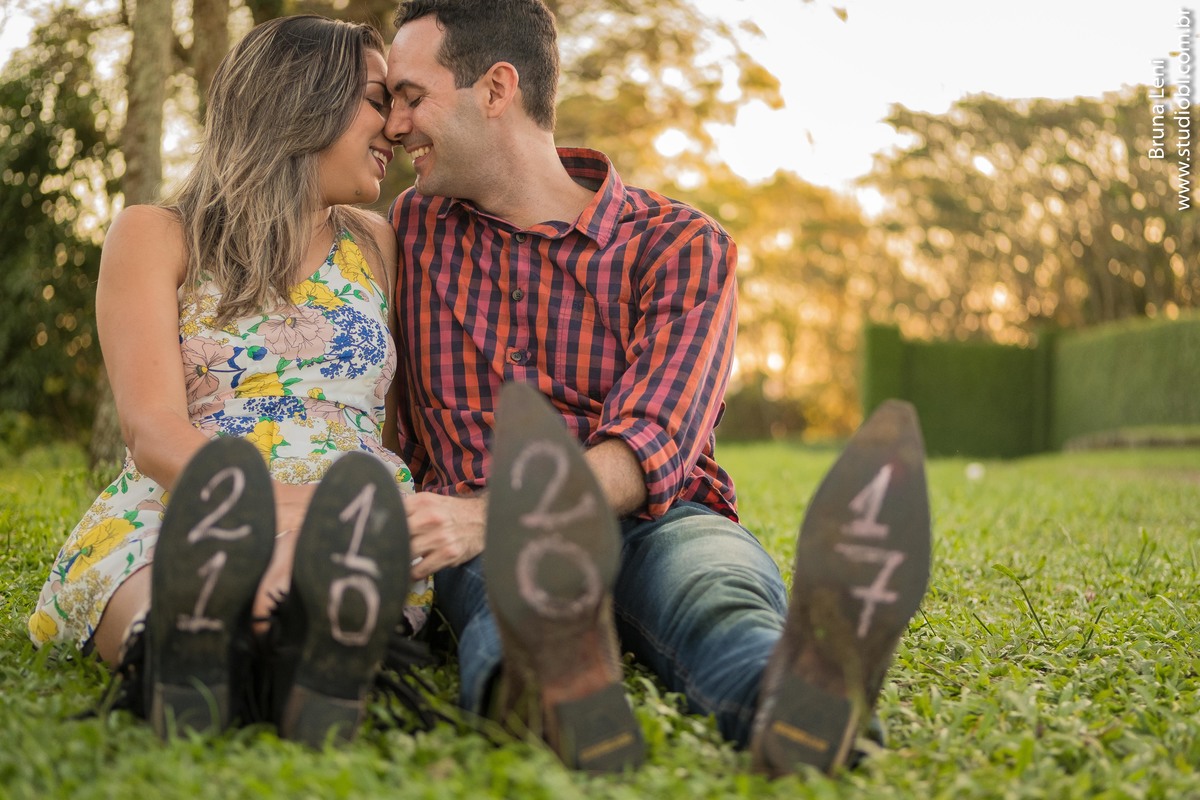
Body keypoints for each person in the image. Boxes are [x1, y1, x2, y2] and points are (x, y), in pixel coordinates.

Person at [384, 0, 932, 777]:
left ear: (497, 87)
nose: (394, 125)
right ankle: (552, 698)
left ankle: (802, 702)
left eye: (411, 96)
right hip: (491, 537)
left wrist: (483, 515)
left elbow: (653, 444)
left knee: (718, 596)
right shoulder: (405, 232)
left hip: (653, 517)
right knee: (519, 607)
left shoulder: (679, 245)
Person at [27, 15, 431, 746]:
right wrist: (279, 504)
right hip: (190, 494)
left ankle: (293, 646)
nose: (396, 127)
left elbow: (390, 425)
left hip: (345, 505)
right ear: (306, 99)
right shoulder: (156, 233)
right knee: (171, 599)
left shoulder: (377, 243)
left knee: (300, 586)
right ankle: (192, 650)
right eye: (378, 99)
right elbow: (153, 433)